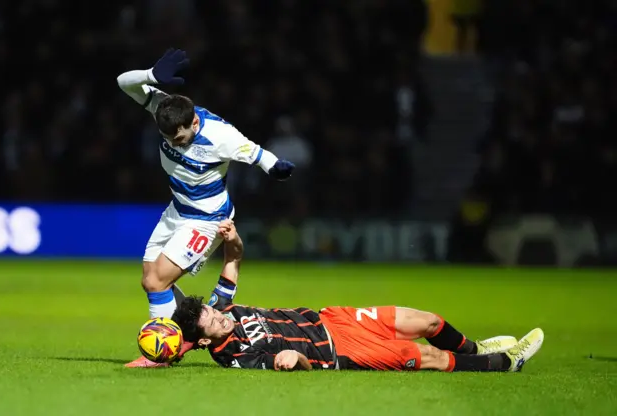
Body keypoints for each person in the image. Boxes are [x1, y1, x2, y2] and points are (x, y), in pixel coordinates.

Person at [169, 220, 544, 372]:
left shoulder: (222, 307)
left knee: (428, 321)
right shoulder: (235, 357)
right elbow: (299, 366)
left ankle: (476, 349)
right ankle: (505, 364)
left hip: (333, 319)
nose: (220, 316)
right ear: (204, 340)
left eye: (213, 311)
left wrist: (231, 239)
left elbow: (232, 261)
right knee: (427, 356)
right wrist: (294, 357)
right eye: (213, 322)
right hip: (339, 352)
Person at [117, 49, 295, 367]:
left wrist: (276, 168)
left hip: (207, 220)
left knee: (159, 281)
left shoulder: (219, 135)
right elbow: (122, 82)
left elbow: (257, 153)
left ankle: (162, 356)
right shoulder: (166, 109)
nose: (174, 142)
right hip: (177, 211)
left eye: (181, 138)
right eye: (167, 139)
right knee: (150, 280)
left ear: (195, 122)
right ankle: (182, 336)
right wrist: (150, 77)